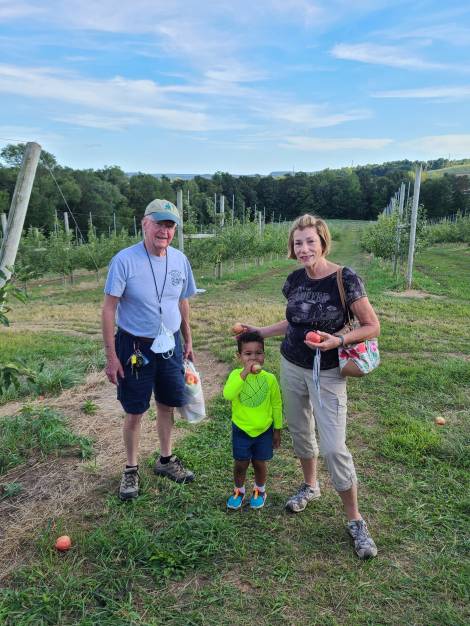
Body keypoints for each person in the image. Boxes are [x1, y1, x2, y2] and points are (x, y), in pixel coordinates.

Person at [239, 214, 380, 559]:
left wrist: (338, 340)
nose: (303, 249)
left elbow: (372, 326)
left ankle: (355, 520)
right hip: (292, 366)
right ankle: (310, 486)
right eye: (298, 243)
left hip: (328, 371)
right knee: (301, 433)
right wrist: (258, 331)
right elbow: (293, 322)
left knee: (333, 447)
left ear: (323, 242)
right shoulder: (294, 280)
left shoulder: (345, 278)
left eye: (310, 242)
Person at [101, 198, 197, 501]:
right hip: (134, 347)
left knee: (167, 404)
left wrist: (188, 339)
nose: (164, 231)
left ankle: (166, 460)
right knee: (134, 410)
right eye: (159, 223)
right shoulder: (124, 260)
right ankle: (131, 468)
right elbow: (109, 308)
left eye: (170, 225)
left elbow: (182, 301)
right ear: (145, 223)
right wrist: (111, 356)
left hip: (170, 344)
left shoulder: (180, 260)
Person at [223, 331, 282, 510]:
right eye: (248, 354)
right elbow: (228, 394)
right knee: (241, 463)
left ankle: (260, 490)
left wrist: (277, 429)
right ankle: (239, 491)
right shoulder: (236, 375)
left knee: (259, 463)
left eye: (258, 353)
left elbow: (276, 404)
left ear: (264, 354)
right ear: (239, 356)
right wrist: (244, 374)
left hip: (264, 430)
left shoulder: (270, 379)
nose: (254, 358)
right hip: (241, 429)